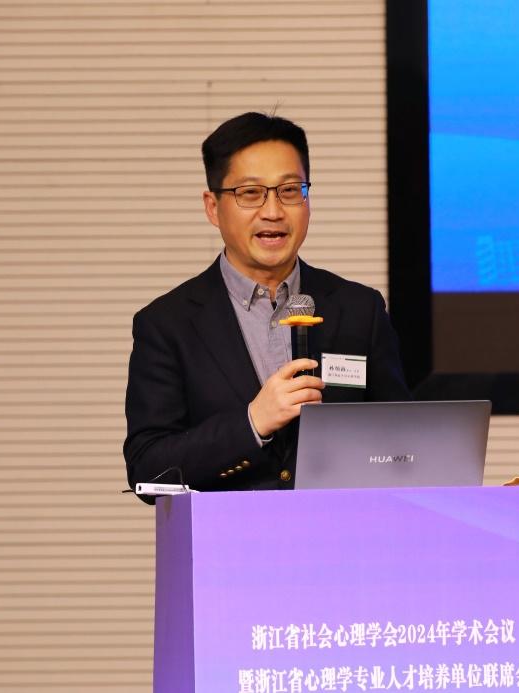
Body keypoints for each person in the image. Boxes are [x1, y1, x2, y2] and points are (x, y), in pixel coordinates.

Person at [123, 112, 410, 500]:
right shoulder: (167, 324)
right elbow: (148, 470)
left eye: (289, 190)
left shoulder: (360, 310)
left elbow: (405, 442)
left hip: (341, 534)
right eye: (250, 193)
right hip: (228, 538)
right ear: (212, 207)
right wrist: (252, 424)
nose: (273, 211)